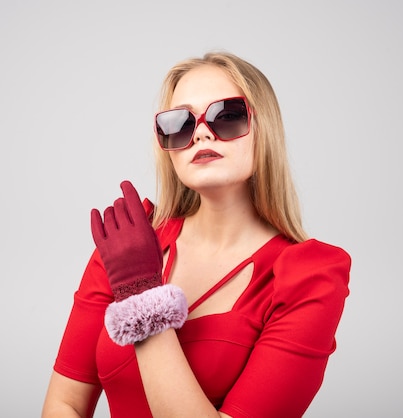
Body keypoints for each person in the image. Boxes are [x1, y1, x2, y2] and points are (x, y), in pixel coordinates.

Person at [42, 51, 351, 418]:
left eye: (227, 115)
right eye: (180, 123)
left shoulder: (310, 276)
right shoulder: (131, 244)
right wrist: (134, 276)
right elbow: (64, 404)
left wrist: (142, 295)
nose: (202, 132)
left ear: (264, 129)